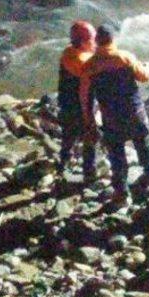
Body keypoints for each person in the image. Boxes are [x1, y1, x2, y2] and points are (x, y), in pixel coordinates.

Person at [79, 22, 149, 203]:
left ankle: (121, 191)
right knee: (143, 142)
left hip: (111, 117)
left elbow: (85, 98)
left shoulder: (89, 66)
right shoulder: (125, 57)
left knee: (116, 154)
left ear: (97, 41)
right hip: (134, 112)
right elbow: (144, 76)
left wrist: (89, 121)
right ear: (113, 39)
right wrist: (148, 66)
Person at [57, 21, 97, 181]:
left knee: (68, 135)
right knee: (90, 137)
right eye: (92, 39)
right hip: (79, 105)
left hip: (65, 103)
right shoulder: (83, 64)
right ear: (82, 42)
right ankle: (89, 173)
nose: (94, 42)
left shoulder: (68, 52)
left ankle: (63, 163)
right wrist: (89, 117)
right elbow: (84, 93)